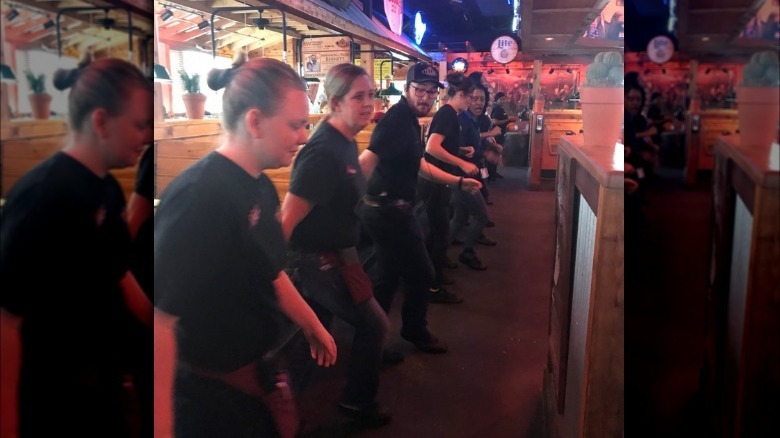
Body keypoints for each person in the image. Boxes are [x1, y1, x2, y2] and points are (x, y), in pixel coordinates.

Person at [154, 55, 337, 437]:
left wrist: (311, 323)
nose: (305, 136)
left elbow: (268, 270)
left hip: (257, 376)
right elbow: (160, 321)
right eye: (295, 125)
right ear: (254, 121)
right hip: (210, 398)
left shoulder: (260, 185)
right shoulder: (197, 196)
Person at [0, 57, 153, 436]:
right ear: (100, 121)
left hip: (99, 381)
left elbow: (118, 272)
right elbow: (5, 320)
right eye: (139, 125)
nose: (147, 136)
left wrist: (161, 326)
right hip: (51, 393)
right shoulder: (43, 194)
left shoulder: (106, 188)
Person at [281, 63, 391, 428]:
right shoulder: (321, 152)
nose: (368, 103)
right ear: (334, 102)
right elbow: (287, 220)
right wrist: (272, 274)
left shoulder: (346, 140)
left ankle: (276, 407)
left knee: (313, 334)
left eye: (371, 94)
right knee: (373, 325)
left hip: (338, 255)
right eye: (358, 96)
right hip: (318, 260)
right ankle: (357, 402)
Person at [358, 62, 482, 359]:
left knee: (397, 280)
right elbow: (364, 163)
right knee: (407, 278)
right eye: (419, 90)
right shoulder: (396, 122)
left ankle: (388, 337)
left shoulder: (411, 120)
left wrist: (458, 181)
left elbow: (419, 166)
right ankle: (381, 342)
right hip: (387, 213)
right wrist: (342, 204)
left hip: (397, 211)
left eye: (430, 92)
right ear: (406, 89)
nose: (425, 97)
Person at [419, 72, 479, 299]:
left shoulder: (449, 114)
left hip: (437, 181)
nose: (471, 102)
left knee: (438, 233)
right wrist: (462, 162)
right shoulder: (447, 114)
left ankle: (433, 275)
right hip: (435, 181)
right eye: (470, 98)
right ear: (460, 94)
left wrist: (460, 151)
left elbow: (440, 145)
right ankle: (432, 285)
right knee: (439, 233)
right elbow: (432, 147)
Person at [489, 92, 518, 179]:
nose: (503, 101)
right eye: (501, 99)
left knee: (498, 152)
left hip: (501, 134)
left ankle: (494, 172)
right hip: (496, 134)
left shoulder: (501, 109)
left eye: (504, 99)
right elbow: (495, 122)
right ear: (496, 100)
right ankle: (491, 173)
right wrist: (508, 120)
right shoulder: (497, 109)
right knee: (495, 151)